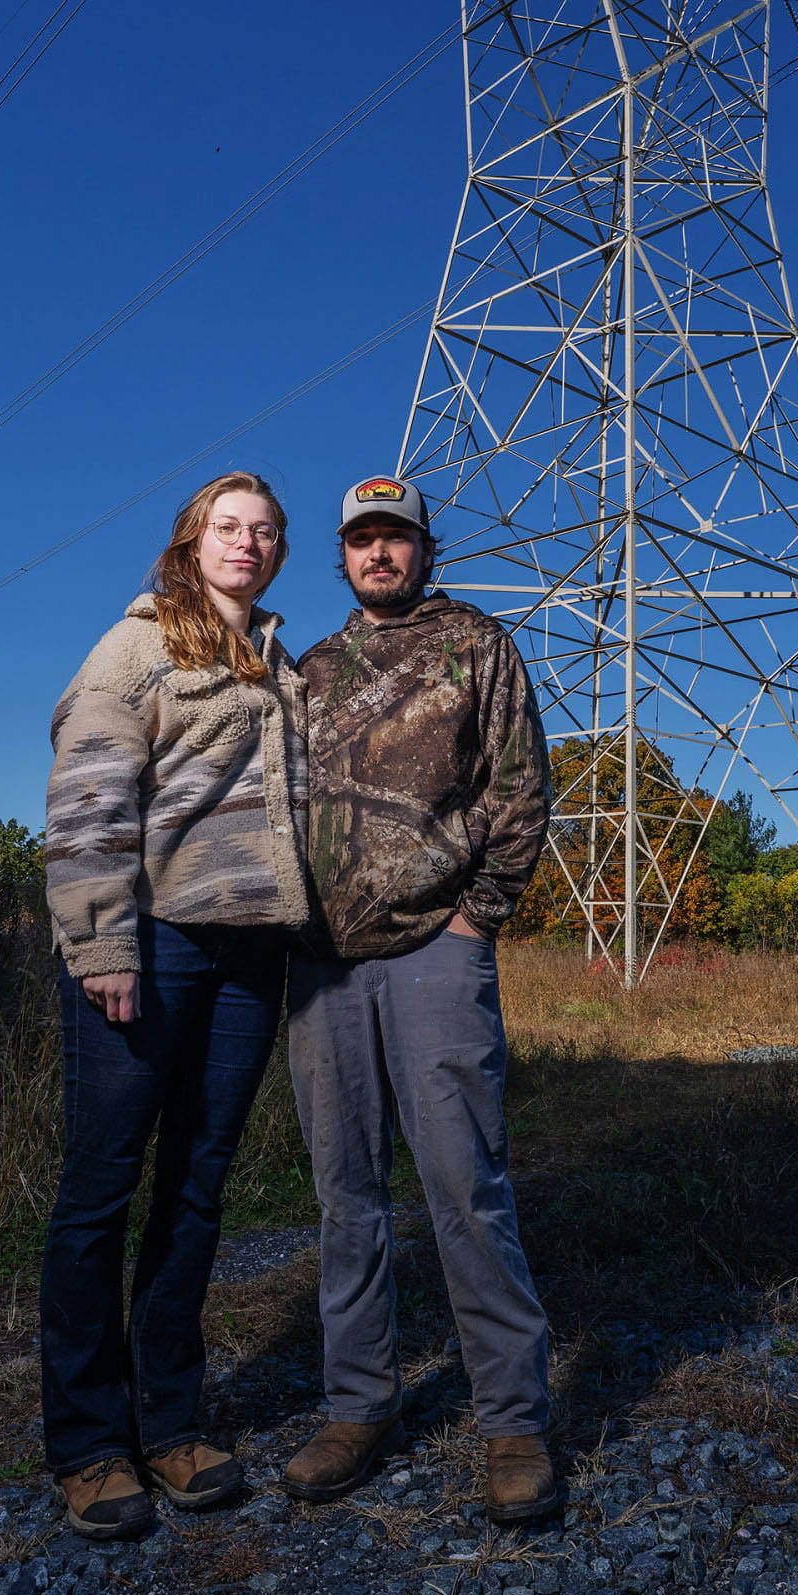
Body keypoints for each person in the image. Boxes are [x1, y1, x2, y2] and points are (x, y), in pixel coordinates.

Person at [40, 471, 310, 1540]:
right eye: (228, 527)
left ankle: (174, 1425)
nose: (247, 543)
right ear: (192, 543)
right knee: (101, 1193)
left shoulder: (278, 663)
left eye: (265, 531)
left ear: (279, 552)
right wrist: (102, 939)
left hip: (250, 958)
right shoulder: (136, 648)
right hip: (150, 946)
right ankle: (89, 1444)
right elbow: (89, 793)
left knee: (197, 1192)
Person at [284, 476, 557, 1525]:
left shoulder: (477, 646)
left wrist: (478, 915)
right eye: (363, 541)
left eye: (396, 539)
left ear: (425, 550)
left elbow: (521, 786)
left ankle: (513, 1422)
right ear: (343, 557)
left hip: (438, 949)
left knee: (464, 1185)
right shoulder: (312, 670)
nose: (380, 555)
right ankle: (358, 1406)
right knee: (345, 1193)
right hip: (323, 966)